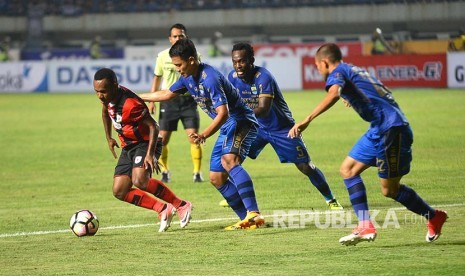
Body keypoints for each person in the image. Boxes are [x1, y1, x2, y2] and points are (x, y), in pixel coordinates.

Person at [288, 43, 447, 246]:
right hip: (378, 129)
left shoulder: (337, 72)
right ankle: (365, 225)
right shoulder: (353, 69)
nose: (317, 70)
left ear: (325, 62)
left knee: (390, 190)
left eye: (317, 66)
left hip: (391, 130)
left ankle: (433, 217)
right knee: (348, 170)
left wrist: (307, 119)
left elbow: (334, 92)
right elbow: (371, 91)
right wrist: (351, 96)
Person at [139, 39, 265, 230]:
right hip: (227, 127)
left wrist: (204, 134)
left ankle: (253, 213)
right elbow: (166, 94)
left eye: (179, 65)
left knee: (229, 160)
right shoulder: (186, 78)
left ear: (191, 60)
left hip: (242, 122)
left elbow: (224, 113)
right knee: (216, 177)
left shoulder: (210, 78)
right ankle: (247, 221)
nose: (177, 69)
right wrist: (135, 96)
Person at [223, 42, 343, 210]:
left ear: (251, 60)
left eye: (241, 61)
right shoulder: (232, 78)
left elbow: (264, 109)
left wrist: (239, 116)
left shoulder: (264, 77)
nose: (238, 66)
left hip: (282, 129)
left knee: (305, 166)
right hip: (256, 127)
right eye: (235, 62)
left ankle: (331, 200)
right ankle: (237, 194)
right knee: (230, 157)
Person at [93, 67, 193, 233]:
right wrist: (108, 137)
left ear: (114, 86)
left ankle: (181, 205)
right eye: (96, 91)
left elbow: (153, 126)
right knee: (119, 191)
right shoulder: (107, 98)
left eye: (103, 91)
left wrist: (149, 155)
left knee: (140, 180)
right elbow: (105, 112)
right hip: (128, 146)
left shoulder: (131, 104)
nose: (100, 95)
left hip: (145, 143)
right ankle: (162, 209)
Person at [149, 23, 203, 183]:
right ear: (170, 38)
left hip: (188, 101)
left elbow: (200, 78)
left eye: (181, 36)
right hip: (168, 101)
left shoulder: (195, 55)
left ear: (186, 37)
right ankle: (165, 171)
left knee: (193, 138)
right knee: (162, 139)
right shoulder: (162, 56)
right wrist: (152, 100)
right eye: (175, 36)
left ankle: (197, 172)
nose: (178, 38)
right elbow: (157, 77)